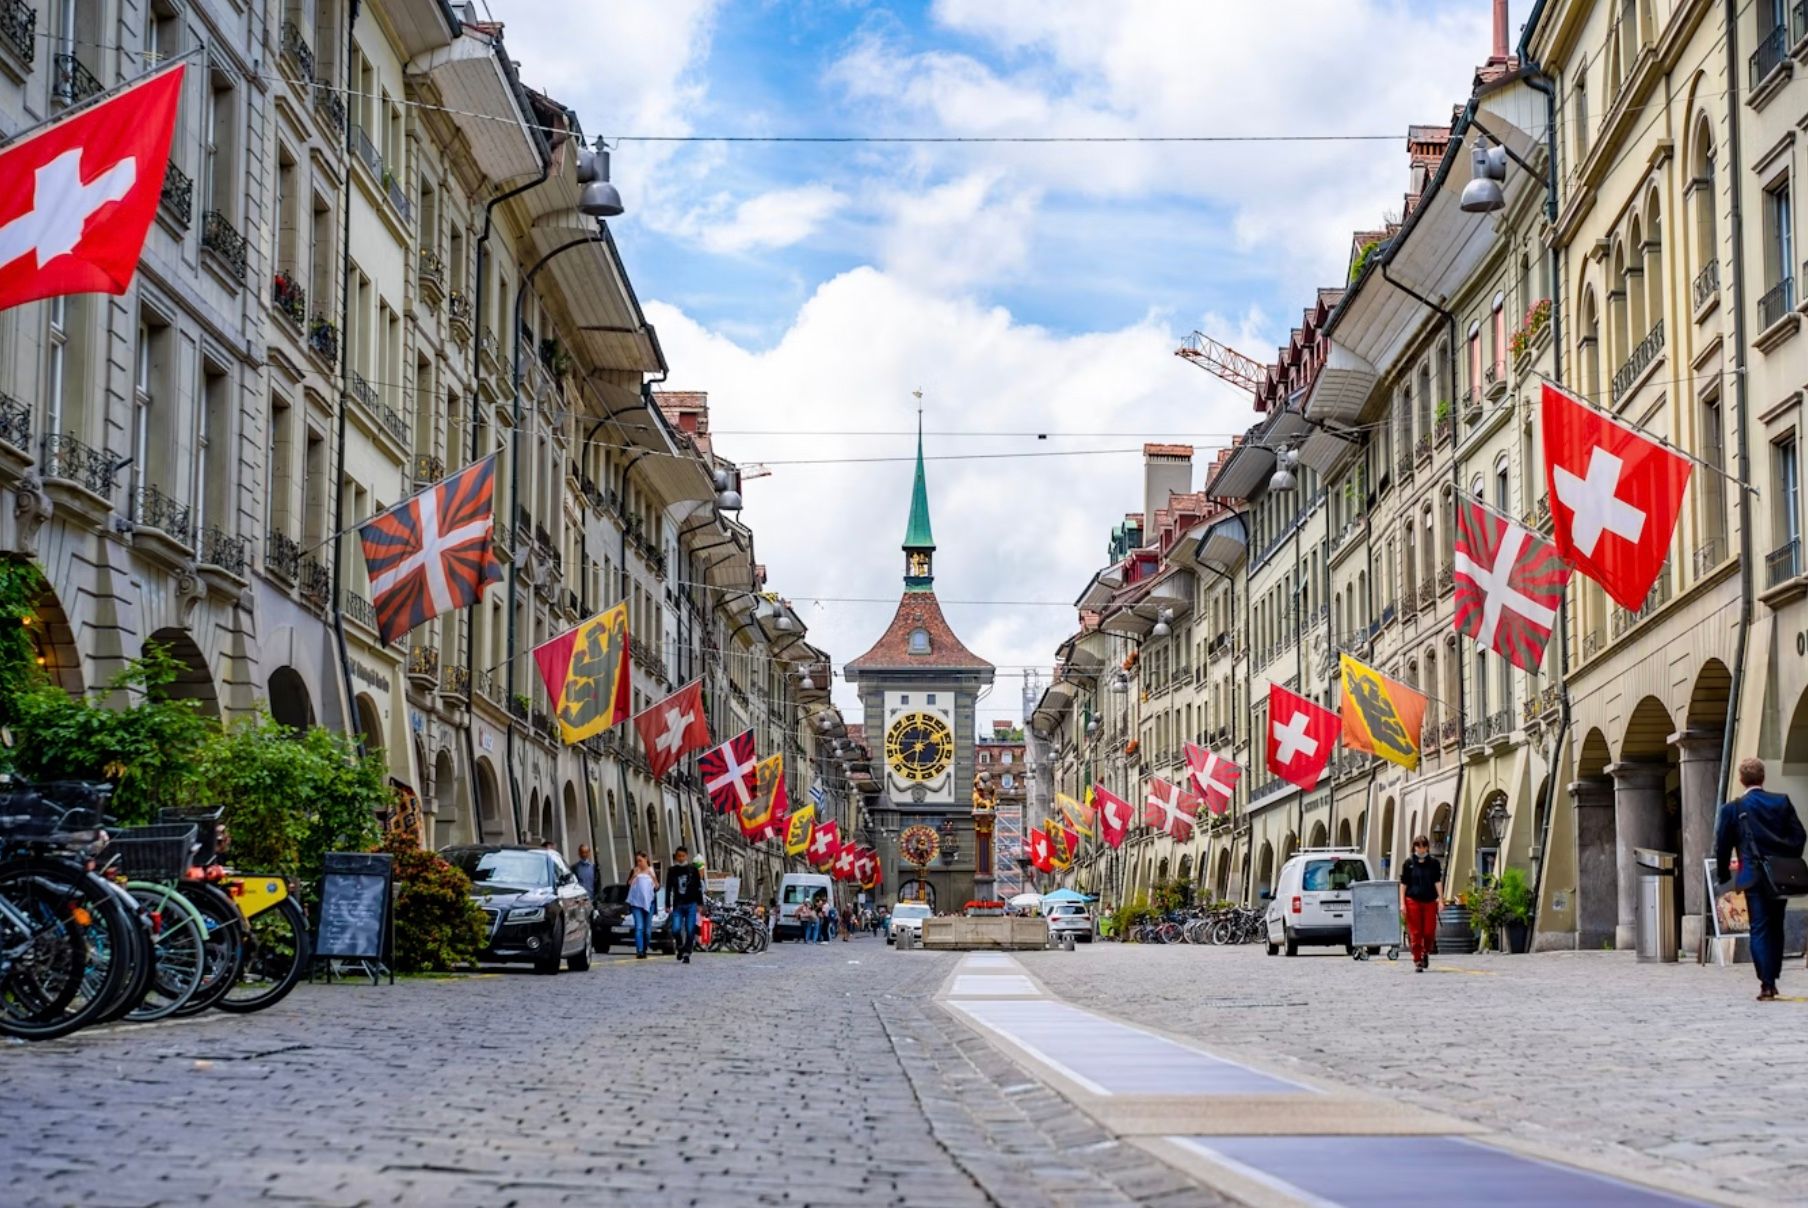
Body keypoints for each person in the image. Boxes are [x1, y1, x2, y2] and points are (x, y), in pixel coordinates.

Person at [1716, 757, 1807, 1001]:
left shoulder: (1732, 809)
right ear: (1763, 777)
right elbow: (1799, 836)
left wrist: (1724, 874)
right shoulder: (1781, 802)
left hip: (1752, 876)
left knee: (1759, 927)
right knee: (1776, 925)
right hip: (1780, 875)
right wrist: (1785, 857)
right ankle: (1772, 977)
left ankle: (1766, 983)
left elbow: (1722, 845)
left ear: (1741, 780)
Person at [1399, 836, 1444, 972]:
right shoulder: (1408, 863)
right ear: (1414, 847)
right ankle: (1417, 959)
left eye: (1423, 846)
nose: (1421, 848)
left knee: (1429, 931)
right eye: (1418, 846)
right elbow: (1403, 884)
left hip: (1430, 900)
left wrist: (1441, 899)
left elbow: (1437, 881)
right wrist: (1402, 903)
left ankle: (1426, 952)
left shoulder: (1434, 863)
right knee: (1416, 932)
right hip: (1413, 900)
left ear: (1427, 847)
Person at [663, 847, 704, 963]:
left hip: (691, 903)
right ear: (676, 857)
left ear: (686, 856)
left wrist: (700, 903)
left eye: (683, 856)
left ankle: (687, 952)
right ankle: (680, 946)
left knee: (690, 929)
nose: (681, 858)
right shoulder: (672, 870)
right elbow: (668, 888)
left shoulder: (693, 870)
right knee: (675, 929)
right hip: (678, 904)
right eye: (679, 856)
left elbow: (698, 888)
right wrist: (667, 904)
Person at [626, 852, 657, 960]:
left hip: (649, 903)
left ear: (646, 859)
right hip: (636, 903)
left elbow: (656, 886)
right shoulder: (635, 871)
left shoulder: (651, 871)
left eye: (640, 860)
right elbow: (629, 884)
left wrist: (652, 877)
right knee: (639, 927)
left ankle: (644, 947)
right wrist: (634, 875)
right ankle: (639, 950)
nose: (639, 863)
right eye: (637, 861)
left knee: (647, 930)